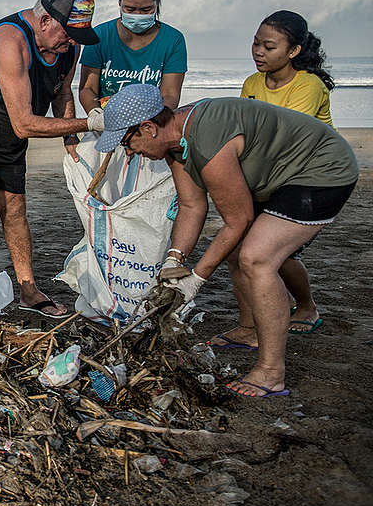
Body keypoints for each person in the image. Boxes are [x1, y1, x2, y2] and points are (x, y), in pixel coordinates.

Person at [97, 85, 357, 398]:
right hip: (278, 176)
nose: (129, 151)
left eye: (128, 141)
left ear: (149, 127)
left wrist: (196, 279)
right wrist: (174, 259)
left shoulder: (207, 141)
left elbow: (238, 219)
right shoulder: (175, 142)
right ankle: (250, 330)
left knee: (257, 258)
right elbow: (191, 205)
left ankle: (272, 373)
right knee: (236, 251)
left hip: (321, 169)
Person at [0, 0, 105, 317]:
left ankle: (29, 290)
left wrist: (69, 135)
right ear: (44, 20)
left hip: (8, 125)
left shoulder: (67, 48)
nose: (71, 41)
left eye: (77, 35)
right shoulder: (10, 41)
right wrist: (89, 125)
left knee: (14, 207)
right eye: (68, 33)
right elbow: (25, 125)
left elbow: (61, 93)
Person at [234, 10, 336, 339]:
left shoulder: (309, 85)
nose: (258, 52)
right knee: (244, 250)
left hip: (311, 179)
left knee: (275, 253)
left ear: (293, 51)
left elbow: (286, 139)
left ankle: (306, 306)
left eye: (269, 46)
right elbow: (245, 132)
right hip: (267, 178)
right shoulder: (251, 84)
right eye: (255, 44)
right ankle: (251, 326)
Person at [78, 0, 187, 113]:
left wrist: (153, 121)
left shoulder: (173, 40)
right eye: (129, 9)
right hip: (106, 119)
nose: (137, 15)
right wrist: (96, 116)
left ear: (158, 1)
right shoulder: (100, 36)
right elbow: (87, 89)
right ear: (119, 0)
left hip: (153, 120)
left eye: (146, 10)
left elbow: (170, 95)